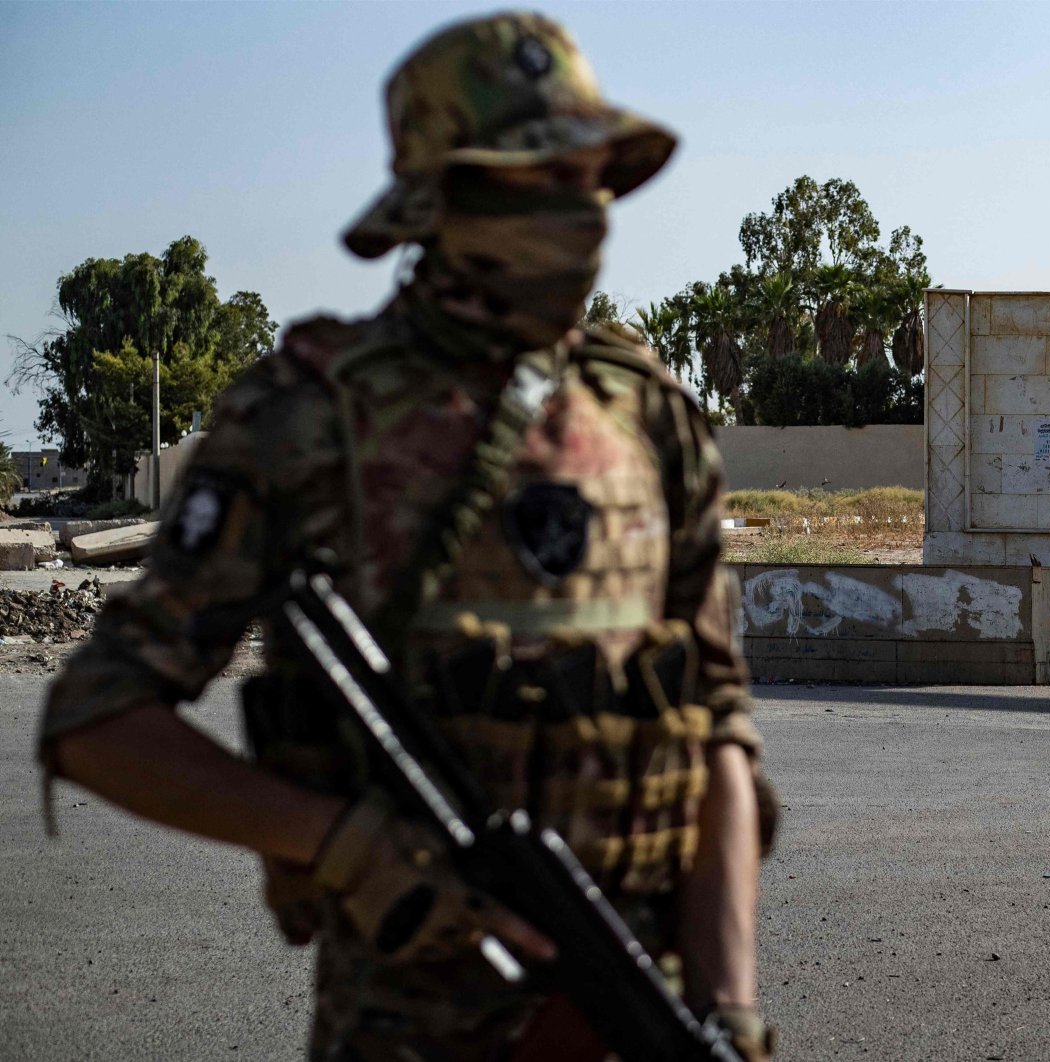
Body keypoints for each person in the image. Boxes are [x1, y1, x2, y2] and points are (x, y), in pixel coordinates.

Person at [38, 12, 773, 1061]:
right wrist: (339, 844)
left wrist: (731, 1012)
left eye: (592, 178)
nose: (583, 212)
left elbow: (715, 729)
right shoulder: (308, 419)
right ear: (440, 201)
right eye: (538, 180)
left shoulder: (647, 413)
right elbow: (96, 717)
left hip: (639, 1014)